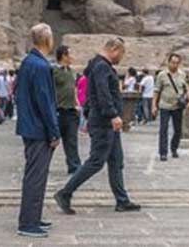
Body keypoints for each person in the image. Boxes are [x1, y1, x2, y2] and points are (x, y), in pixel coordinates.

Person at [54, 37, 141, 216]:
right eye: (122, 53)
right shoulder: (102, 66)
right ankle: (65, 193)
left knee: (116, 161)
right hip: (104, 122)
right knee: (96, 161)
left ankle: (122, 200)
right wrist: (113, 114)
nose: (121, 58)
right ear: (114, 49)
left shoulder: (98, 65)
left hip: (107, 123)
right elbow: (102, 93)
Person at [15, 24, 60, 238]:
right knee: (36, 176)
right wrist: (54, 131)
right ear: (48, 41)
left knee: (36, 175)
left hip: (29, 126)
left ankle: (33, 216)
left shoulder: (28, 62)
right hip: (39, 129)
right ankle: (28, 222)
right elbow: (45, 102)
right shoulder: (41, 66)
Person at [152, 54, 189, 160]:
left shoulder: (182, 74)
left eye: (177, 63)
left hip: (177, 106)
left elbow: (186, 87)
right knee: (163, 129)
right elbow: (156, 91)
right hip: (164, 105)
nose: (174, 65)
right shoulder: (162, 75)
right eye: (173, 62)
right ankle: (163, 152)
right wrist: (154, 106)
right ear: (168, 62)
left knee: (178, 130)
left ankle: (174, 148)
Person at [53, 45, 81, 174]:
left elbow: (73, 89)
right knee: (51, 140)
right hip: (58, 111)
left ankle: (74, 166)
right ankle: (42, 164)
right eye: (70, 54)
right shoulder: (54, 71)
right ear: (63, 55)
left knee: (72, 141)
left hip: (71, 111)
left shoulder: (70, 71)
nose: (72, 57)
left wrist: (77, 103)